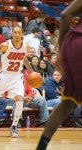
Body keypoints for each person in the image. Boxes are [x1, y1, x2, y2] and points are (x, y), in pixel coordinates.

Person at [36, 0, 82, 149]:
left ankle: (41, 146)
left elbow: (65, 14)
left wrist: (62, 48)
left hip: (73, 43)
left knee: (69, 101)